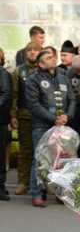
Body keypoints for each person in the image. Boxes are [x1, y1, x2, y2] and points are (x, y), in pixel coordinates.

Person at [25, 49, 76, 207]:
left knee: (62, 160)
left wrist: (67, 116)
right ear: (40, 63)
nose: (53, 59)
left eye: (53, 57)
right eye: (48, 58)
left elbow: (73, 99)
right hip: (42, 126)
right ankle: (38, 193)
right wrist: (53, 119)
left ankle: (60, 193)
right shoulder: (33, 79)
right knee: (41, 160)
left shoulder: (63, 76)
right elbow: (33, 105)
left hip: (63, 126)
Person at [10, 41, 42, 195]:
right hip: (24, 116)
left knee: (42, 152)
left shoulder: (44, 70)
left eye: (36, 50)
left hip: (42, 118)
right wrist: (13, 115)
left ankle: (41, 183)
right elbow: (14, 95)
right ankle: (23, 182)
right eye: (29, 50)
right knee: (25, 151)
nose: (32, 53)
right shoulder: (19, 71)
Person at [0, 54, 11, 201]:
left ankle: (0, 187)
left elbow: (6, 94)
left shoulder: (2, 73)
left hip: (0, 121)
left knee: (0, 155)